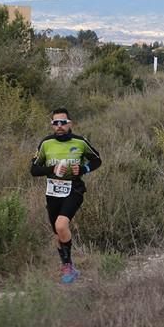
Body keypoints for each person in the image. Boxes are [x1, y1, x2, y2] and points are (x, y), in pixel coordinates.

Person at [30, 108, 102, 284]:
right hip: (53, 191)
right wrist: (51, 169)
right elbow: (34, 169)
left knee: (62, 225)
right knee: (57, 232)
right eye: (56, 123)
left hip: (74, 189)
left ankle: (68, 265)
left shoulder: (80, 142)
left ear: (70, 123)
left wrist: (84, 169)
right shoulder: (46, 143)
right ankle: (67, 267)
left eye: (63, 122)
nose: (59, 126)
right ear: (52, 125)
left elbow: (97, 160)